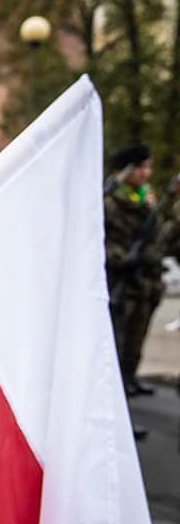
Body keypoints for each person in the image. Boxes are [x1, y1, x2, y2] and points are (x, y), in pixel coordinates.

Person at [105, 144, 164, 403]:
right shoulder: (110, 200)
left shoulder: (144, 198)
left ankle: (129, 381)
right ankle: (115, 400)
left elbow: (156, 236)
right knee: (114, 346)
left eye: (148, 167)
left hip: (144, 282)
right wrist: (122, 258)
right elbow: (100, 239)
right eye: (141, 167)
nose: (146, 173)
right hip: (121, 282)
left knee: (135, 340)